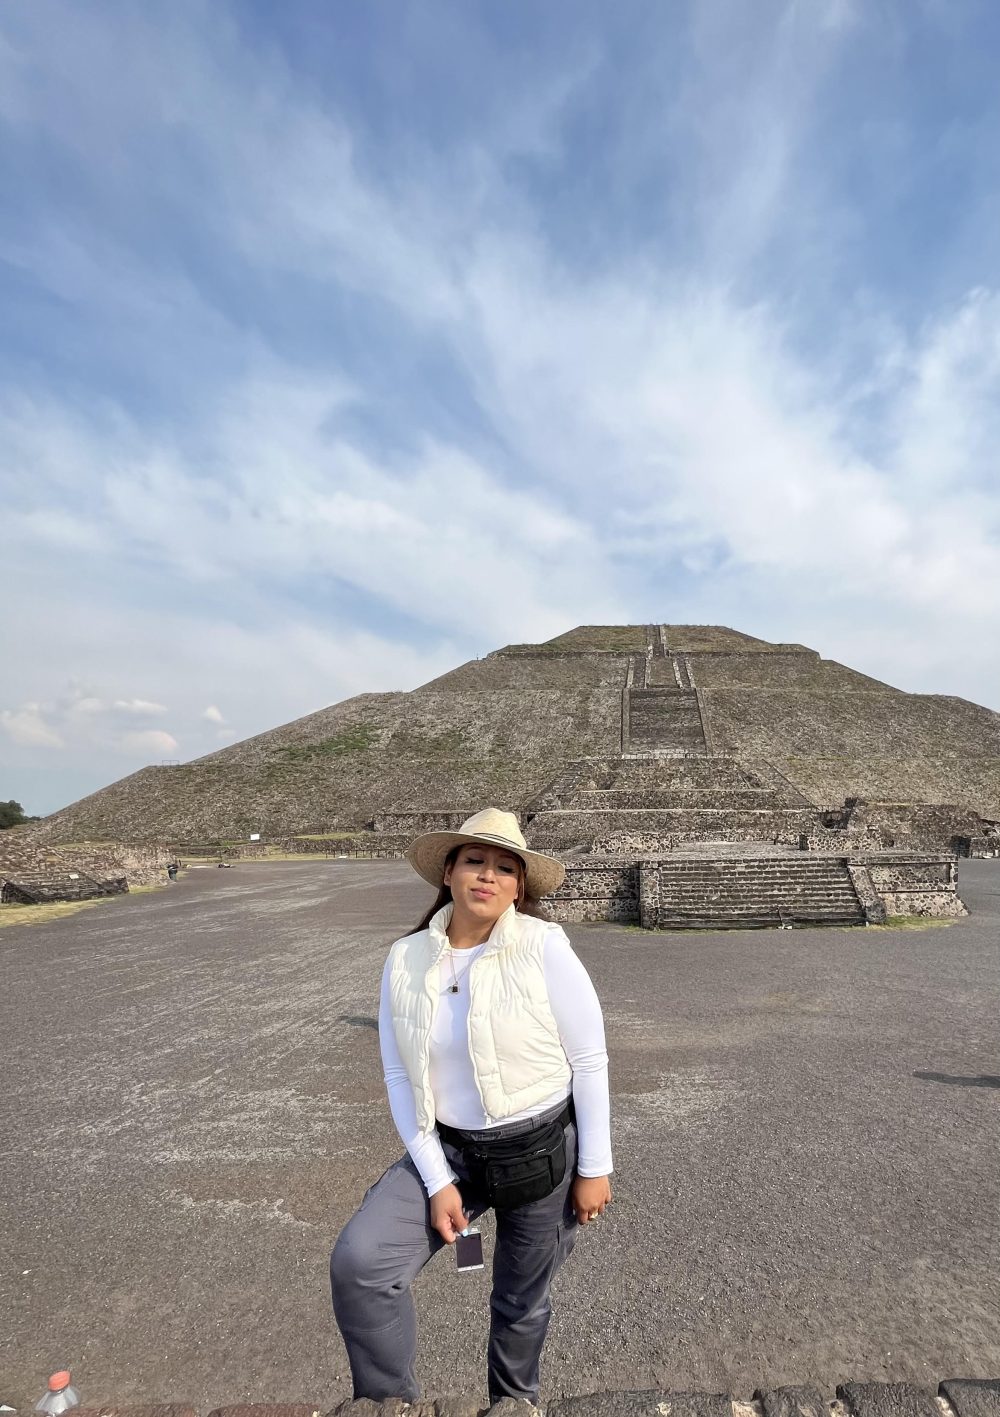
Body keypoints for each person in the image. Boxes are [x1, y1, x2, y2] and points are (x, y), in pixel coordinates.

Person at [329, 807, 613, 1408]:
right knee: (362, 1265)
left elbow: (589, 1060)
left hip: (540, 1150)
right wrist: (437, 1180)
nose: (488, 876)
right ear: (450, 873)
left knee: (520, 1301)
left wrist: (595, 1168)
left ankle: (514, 1405)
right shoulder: (404, 958)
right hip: (451, 1148)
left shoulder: (543, 946)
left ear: (519, 888)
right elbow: (399, 1075)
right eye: (475, 861)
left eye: (505, 869)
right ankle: (386, 1404)